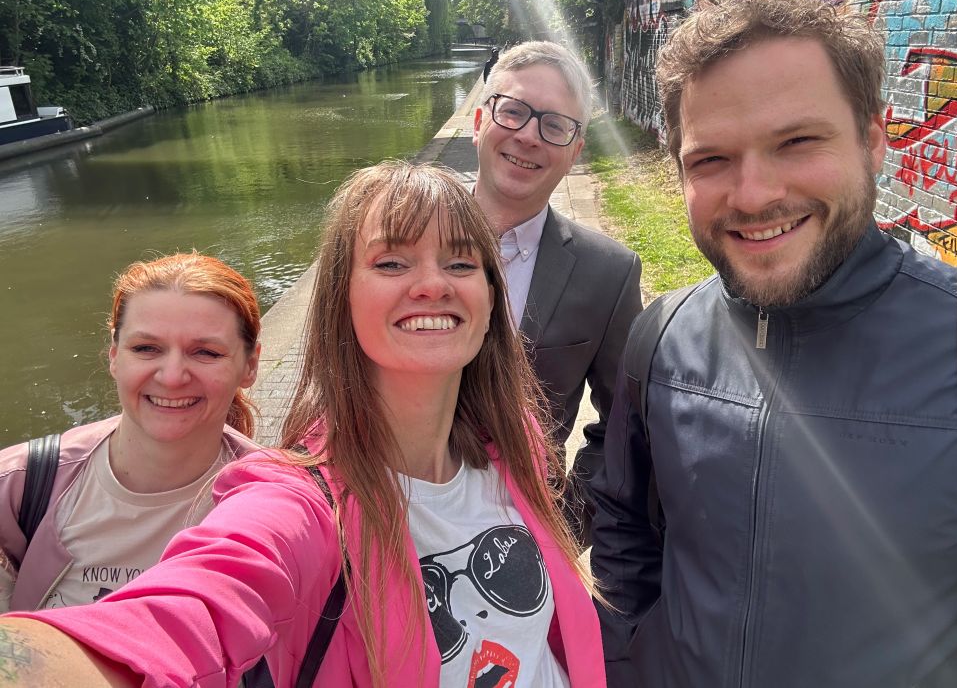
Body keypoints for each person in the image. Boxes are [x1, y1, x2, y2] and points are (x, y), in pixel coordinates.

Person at [0, 161, 605, 687]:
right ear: (341, 297)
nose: (432, 284)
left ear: (491, 295)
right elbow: (192, 611)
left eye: (460, 263)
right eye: (392, 261)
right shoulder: (299, 505)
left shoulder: (516, 440)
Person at [590, 0, 957, 687]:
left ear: (873, 139)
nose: (753, 196)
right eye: (710, 159)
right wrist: (634, 655)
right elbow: (622, 521)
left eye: (798, 140)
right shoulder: (659, 340)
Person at [0, 252, 260, 614]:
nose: (172, 376)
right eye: (146, 348)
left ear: (250, 365)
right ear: (113, 356)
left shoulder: (277, 500)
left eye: (205, 352)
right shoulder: (18, 488)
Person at [473, 41, 642, 544]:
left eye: (555, 125)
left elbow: (623, 427)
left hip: (519, 544)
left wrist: (562, 527)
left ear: (575, 150)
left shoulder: (607, 274)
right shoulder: (398, 241)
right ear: (479, 120)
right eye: (514, 112)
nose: (529, 136)